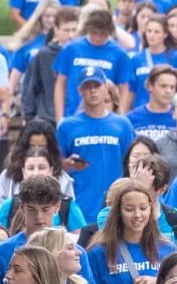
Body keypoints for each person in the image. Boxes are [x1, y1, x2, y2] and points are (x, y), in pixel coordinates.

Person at [87, 179, 177, 284]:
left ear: (151, 208)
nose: (137, 215)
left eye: (143, 208)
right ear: (118, 212)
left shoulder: (168, 249)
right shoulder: (98, 253)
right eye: (129, 209)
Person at [56, 66, 135, 222]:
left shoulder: (122, 124)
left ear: (105, 87)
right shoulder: (67, 126)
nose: (92, 91)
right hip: (81, 202)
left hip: (117, 203)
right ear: (80, 90)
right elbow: (55, 165)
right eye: (87, 87)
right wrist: (66, 164)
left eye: (96, 86)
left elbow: (132, 162)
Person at [127, 64, 177, 132]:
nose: (168, 91)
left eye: (172, 87)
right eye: (163, 86)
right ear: (150, 86)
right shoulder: (131, 118)